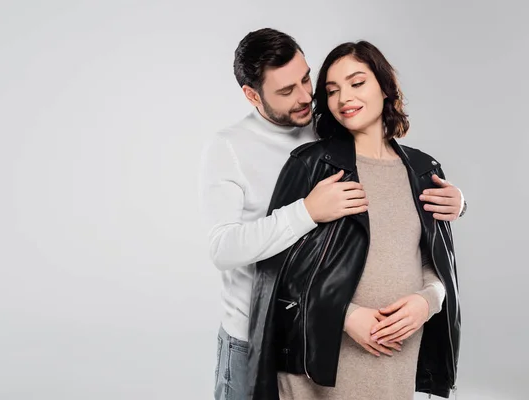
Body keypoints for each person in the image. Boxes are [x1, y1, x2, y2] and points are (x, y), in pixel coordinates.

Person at [198, 29, 466, 400]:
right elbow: (226, 250)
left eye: (308, 80)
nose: (307, 97)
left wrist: (460, 202)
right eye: (286, 91)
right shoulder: (233, 148)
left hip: (350, 348)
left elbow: (405, 230)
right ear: (252, 95)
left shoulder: (330, 129)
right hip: (254, 332)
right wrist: (307, 212)